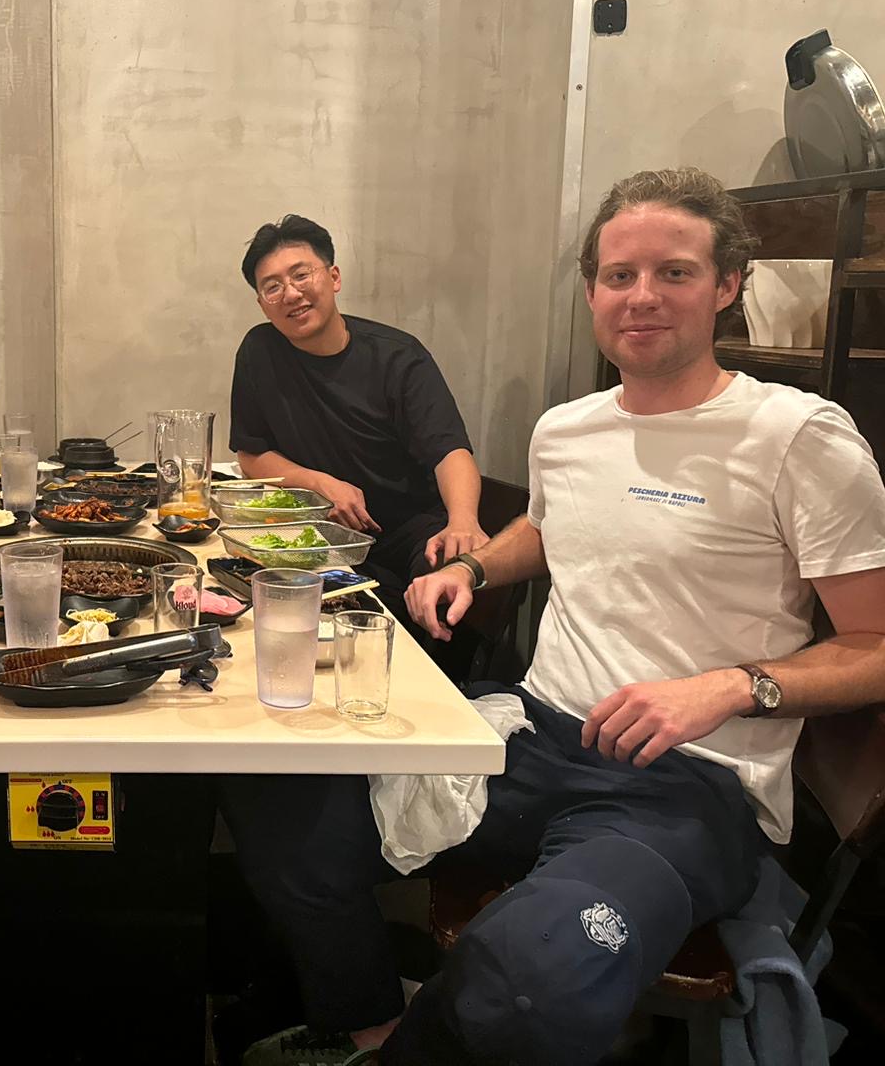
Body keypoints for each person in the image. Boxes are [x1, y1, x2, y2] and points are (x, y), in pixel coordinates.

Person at [223, 169, 885, 1065]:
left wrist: (732, 687)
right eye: (619, 276)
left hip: (687, 786)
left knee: (533, 978)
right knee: (272, 800)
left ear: (728, 285)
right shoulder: (567, 428)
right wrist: (473, 564)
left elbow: (875, 646)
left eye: (675, 273)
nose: (641, 296)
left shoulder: (800, 436)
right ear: (592, 291)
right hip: (534, 739)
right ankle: (376, 1021)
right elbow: (552, 526)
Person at [228, 215, 488, 594]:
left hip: (407, 530)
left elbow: (448, 450)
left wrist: (464, 521)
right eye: (273, 287)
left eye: (301, 275)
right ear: (262, 303)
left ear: (333, 277)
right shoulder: (259, 352)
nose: (291, 293)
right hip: (316, 533)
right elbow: (252, 455)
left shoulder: (399, 358)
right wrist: (321, 485)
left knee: (447, 572)